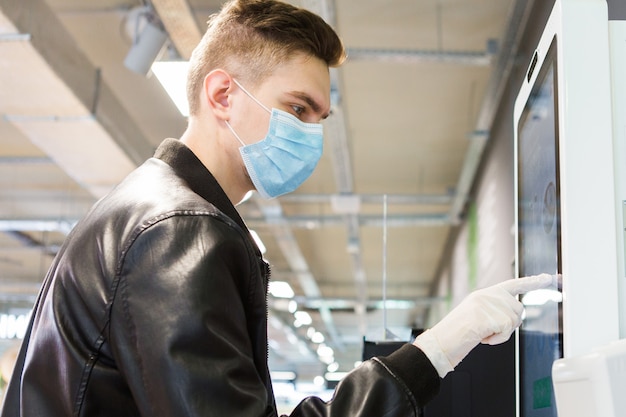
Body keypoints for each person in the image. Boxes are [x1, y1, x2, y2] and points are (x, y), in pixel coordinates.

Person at [0, 0, 554, 416]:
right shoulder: (178, 232)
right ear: (222, 96)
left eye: (320, 118)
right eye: (298, 108)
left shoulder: (144, 208)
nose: (312, 134)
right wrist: (438, 346)